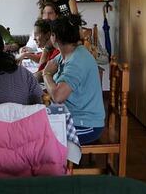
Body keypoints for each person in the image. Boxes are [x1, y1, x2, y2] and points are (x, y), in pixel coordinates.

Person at [42, 15, 105, 145]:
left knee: (40, 136)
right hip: (73, 117)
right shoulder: (68, 53)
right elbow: (45, 70)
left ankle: (57, 164)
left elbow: (58, 96)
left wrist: (46, 74)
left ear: (54, 37)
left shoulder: (77, 60)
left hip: (86, 125)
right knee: (36, 126)